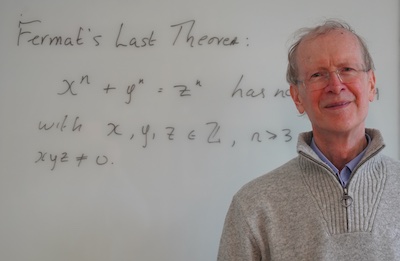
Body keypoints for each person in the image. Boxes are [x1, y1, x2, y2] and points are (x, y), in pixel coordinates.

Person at [217, 19, 400, 260]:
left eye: (347, 69)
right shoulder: (254, 205)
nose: (335, 85)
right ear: (297, 97)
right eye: (317, 75)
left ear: (371, 84)